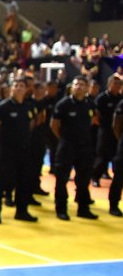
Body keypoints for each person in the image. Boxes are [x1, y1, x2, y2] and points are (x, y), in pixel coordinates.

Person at [0, 77, 38, 224]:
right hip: (6, 150)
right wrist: (1, 143)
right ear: (11, 88)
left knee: (23, 181)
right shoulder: (3, 106)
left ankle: (22, 211)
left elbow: (31, 124)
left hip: (23, 149)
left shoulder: (28, 107)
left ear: (26, 89)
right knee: (0, 181)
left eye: (22, 86)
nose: (19, 88)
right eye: (16, 85)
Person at [51, 76, 98, 220]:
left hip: (84, 146)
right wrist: (64, 138)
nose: (78, 87)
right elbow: (54, 125)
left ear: (86, 88)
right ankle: (61, 209)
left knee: (83, 179)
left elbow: (92, 121)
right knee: (62, 178)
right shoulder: (63, 104)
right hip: (67, 145)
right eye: (76, 84)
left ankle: (83, 208)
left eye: (82, 84)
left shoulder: (89, 104)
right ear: (72, 87)